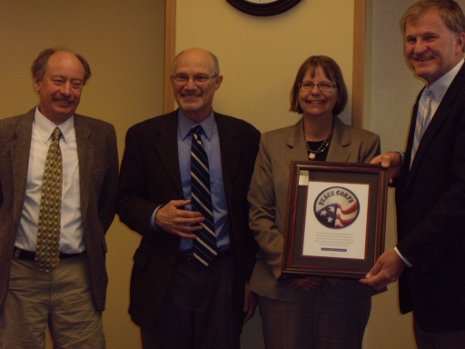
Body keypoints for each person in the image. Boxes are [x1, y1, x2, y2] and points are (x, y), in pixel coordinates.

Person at [117, 47, 260, 349]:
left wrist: (251, 277)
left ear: (217, 82)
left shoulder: (245, 136)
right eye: (181, 77)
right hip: (165, 276)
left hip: (224, 274)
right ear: (172, 82)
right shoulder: (143, 136)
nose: (190, 85)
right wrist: (157, 216)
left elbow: (253, 211)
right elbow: (124, 200)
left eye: (200, 77)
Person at [247, 55, 381, 349]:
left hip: (342, 291)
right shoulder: (271, 143)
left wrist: (322, 269)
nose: (315, 91)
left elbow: (364, 218)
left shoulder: (365, 144)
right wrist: (293, 265)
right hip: (283, 287)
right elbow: (259, 212)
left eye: (325, 84)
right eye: (307, 84)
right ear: (297, 92)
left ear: (338, 92)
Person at [360, 1, 465, 347]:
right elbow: (444, 166)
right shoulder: (429, 96)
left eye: (430, 37)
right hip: (434, 286)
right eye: (411, 39)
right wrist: (403, 163)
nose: (418, 48)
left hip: (456, 291)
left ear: (460, 41)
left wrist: (402, 255)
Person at [0, 48, 118, 348]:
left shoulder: (101, 135)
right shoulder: (5, 134)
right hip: (19, 274)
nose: (67, 91)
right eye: (58, 81)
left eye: (76, 84)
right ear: (38, 82)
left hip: (78, 275)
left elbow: (105, 203)